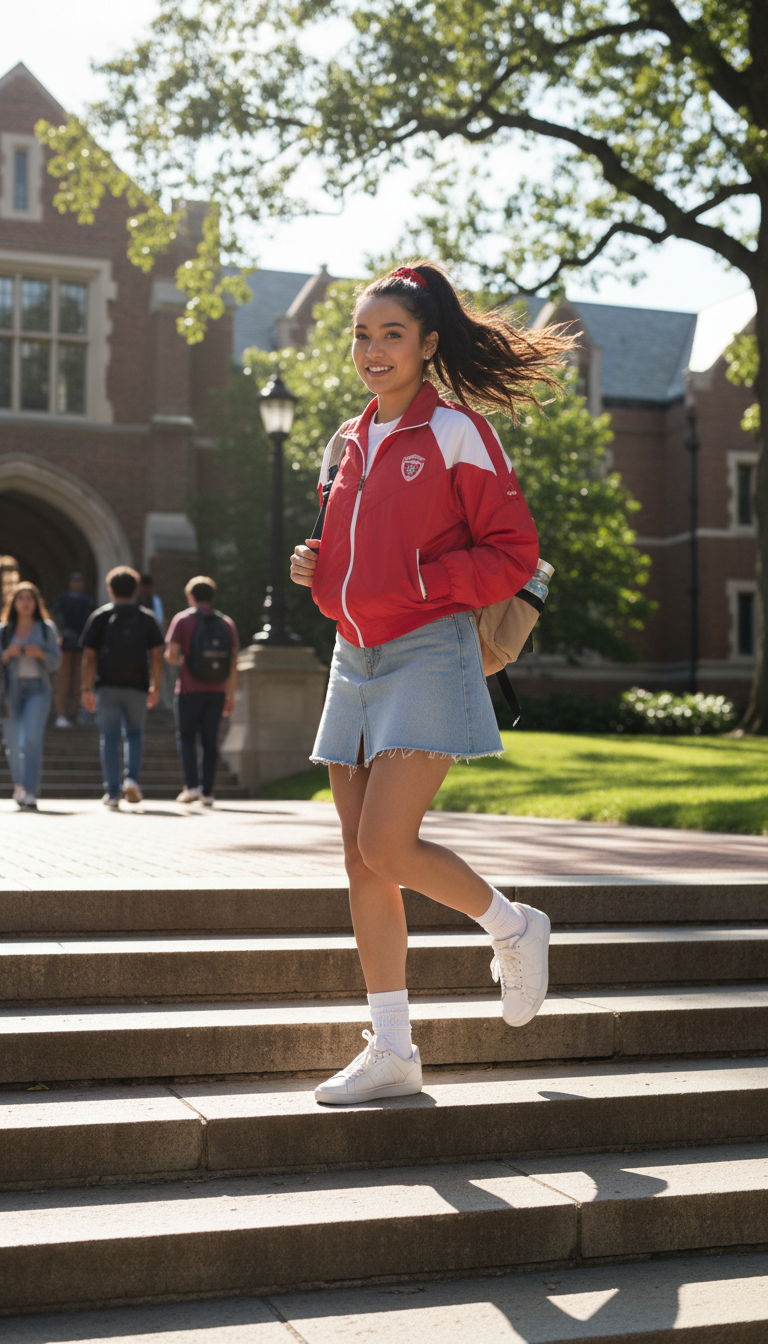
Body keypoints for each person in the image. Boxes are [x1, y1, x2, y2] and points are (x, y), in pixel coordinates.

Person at [290, 262, 574, 1105]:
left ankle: (515, 926)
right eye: (361, 335)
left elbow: (511, 553)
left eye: (391, 335)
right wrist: (317, 568)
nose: (372, 351)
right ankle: (393, 1049)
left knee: (387, 843)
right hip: (353, 654)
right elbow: (349, 558)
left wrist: (419, 584)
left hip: (427, 649)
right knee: (360, 861)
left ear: (427, 346)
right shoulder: (346, 441)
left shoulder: (458, 432)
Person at [79, 566, 164, 810]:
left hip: (107, 686)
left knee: (110, 737)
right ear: (136, 589)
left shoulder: (100, 616)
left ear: (110, 589)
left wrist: (86, 688)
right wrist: (155, 685)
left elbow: (89, 656)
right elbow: (156, 656)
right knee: (135, 734)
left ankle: (113, 791)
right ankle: (132, 779)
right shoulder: (146, 617)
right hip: (137, 686)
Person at [165, 576, 238, 806]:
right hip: (217, 690)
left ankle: (191, 787)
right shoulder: (226, 623)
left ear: (191, 596)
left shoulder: (183, 620)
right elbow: (234, 662)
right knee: (210, 740)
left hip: (189, 689)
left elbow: (172, 655)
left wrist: (183, 659)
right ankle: (208, 792)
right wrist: (230, 694)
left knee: (186, 738)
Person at [1, 581, 61, 811]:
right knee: (14, 742)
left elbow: (56, 662)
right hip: (10, 692)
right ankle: (19, 783)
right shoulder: (4, 630)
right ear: (13, 602)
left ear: (36, 602)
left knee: (31, 739)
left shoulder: (46, 629)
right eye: (21, 598)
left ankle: (30, 789)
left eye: (30, 598)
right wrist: (7, 655)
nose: (25, 603)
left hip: (38, 689)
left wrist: (41, 655)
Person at [52, 571, 95, 727]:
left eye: (79, 581)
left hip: (82, 644)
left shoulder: (88, 601)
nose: (77, 584)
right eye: (74, 581)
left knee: (79, 680)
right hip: (65, 644)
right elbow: (55, 618)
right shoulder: (62, 600)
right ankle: (61, 714)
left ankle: (75, 714)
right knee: (63, 679)